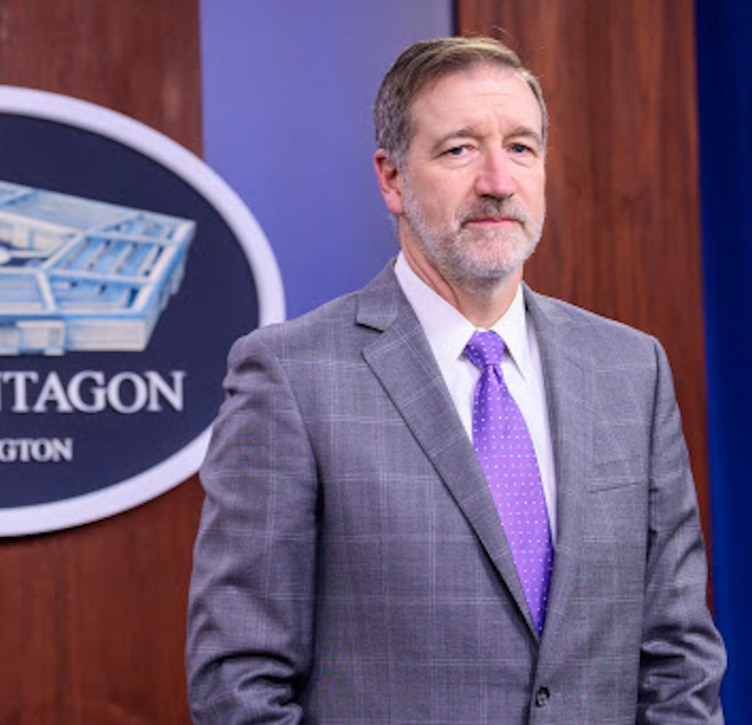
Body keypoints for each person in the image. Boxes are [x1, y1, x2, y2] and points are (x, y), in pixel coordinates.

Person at [186, 36, 726, 722]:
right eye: (459, 149)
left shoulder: (630, 368)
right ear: (391, 179)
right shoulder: (292, 377)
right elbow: (238, 682)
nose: (498, 180)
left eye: (522, 147)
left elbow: (679, 658)